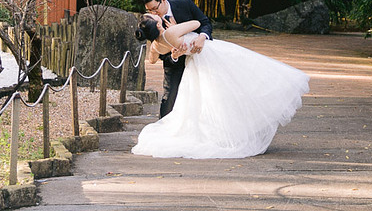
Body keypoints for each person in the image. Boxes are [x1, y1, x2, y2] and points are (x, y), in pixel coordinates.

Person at [131, 13, 310, 159]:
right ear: (158, 26)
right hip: (210, 55)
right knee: (242, 80)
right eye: (154, 17)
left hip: (194, 66)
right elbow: (195, 23)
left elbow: (152, 60)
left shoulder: (155, 46)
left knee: (210, 100)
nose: (156, 15)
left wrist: (173, 51)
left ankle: (225, 133)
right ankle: (234, 133)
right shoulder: (171, 32)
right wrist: (175, 26)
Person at [142, 0, 213, 118]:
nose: (153, 13)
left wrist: (202, 37)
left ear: (163, 0)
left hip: (200, 55)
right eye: (149, 10)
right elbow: (159, 54)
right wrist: (174, 57)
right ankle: (163, 128)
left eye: (155, 8)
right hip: (173, 63)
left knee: (206, 95)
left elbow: (205, 23)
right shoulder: (153, 21)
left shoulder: (185, 3)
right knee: (169, 98)